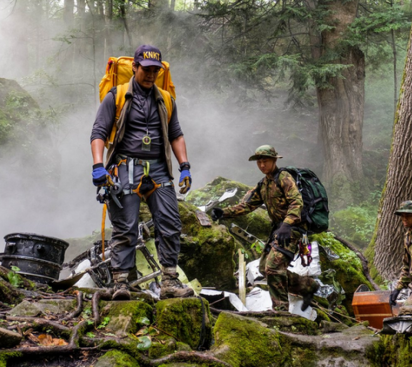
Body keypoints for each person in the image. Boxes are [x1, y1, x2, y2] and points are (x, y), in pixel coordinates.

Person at [90, 45, 194, 300]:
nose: (150, 75)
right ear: (135, 68)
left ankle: (169, 281)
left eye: (155, 70)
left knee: (170, 223)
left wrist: (185, 167)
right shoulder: (116, 96)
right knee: (125, 228)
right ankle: (121, 283)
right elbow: (98, 133)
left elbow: (175, 134)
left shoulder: (166, 99)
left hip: (159, 170)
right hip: (125, 167)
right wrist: (98, 165)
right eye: (145, 69)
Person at [211, 145, 318, 311]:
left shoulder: (284, 178)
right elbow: (247, 205)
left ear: (274, 160)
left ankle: (281, 310)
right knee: (263, 269)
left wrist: (287, 224)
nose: (262, 165)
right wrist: (223, 213)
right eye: (259, 162)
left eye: (265, 161)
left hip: (293, 229)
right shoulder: (264, 184)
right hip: (279, 230)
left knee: (273, 267)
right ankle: (307, 286)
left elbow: (297, 202)